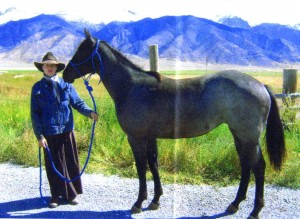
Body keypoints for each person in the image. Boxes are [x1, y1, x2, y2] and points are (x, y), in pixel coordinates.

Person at [30, 52, 98, 208]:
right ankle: (55, 196)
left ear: (56, 68)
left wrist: (90, 113)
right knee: (53, 165)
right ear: (42, 68)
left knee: (70, 163)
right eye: (46, 65)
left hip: (67, 131)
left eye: (52, 65)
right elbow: (35, 114)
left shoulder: (67, 85)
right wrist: (39, 136)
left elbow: (78, 103)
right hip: (49, 133)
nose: (49, 68)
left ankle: (71, 194)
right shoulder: (38, 88)